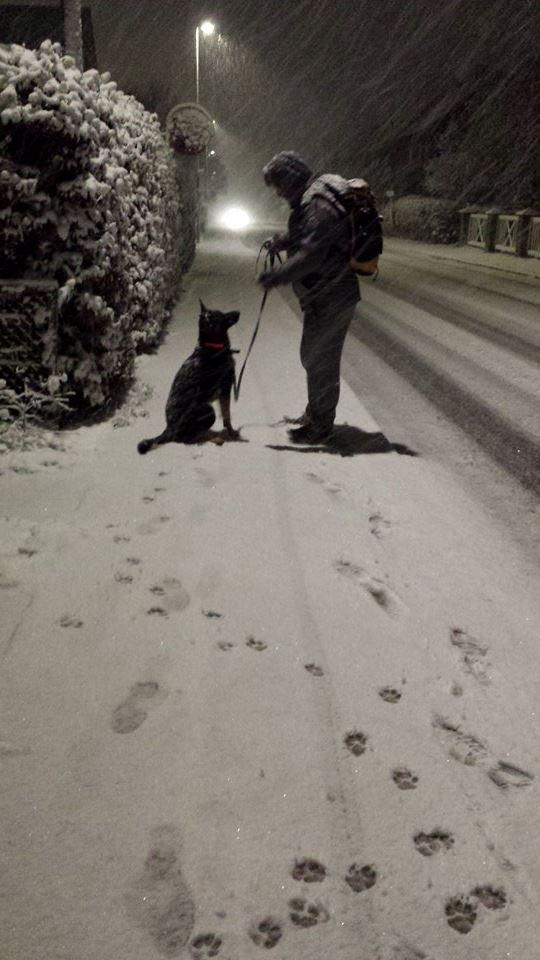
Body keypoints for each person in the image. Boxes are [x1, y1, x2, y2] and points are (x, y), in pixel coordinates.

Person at [258, 151, 359, 444]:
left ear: (291, 180)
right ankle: (316, 412)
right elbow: (310, 237)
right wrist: (284, 241)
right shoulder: (311, 202)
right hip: (324, 295)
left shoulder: (316, 204)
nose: (277, 192)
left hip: (333, 294)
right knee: (313, 356)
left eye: (279, 185)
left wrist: (278, 276)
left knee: (321, 361)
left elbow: (313, 254)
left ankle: (321, 426)